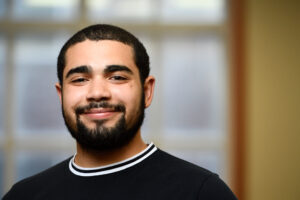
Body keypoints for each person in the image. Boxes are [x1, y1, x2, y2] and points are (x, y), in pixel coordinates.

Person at [3, 24, 237, 199]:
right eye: (80, 79)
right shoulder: (24, 196)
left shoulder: (202, 193)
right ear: (60, 94)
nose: (97, 93)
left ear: (147, 91)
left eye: (117, 77)